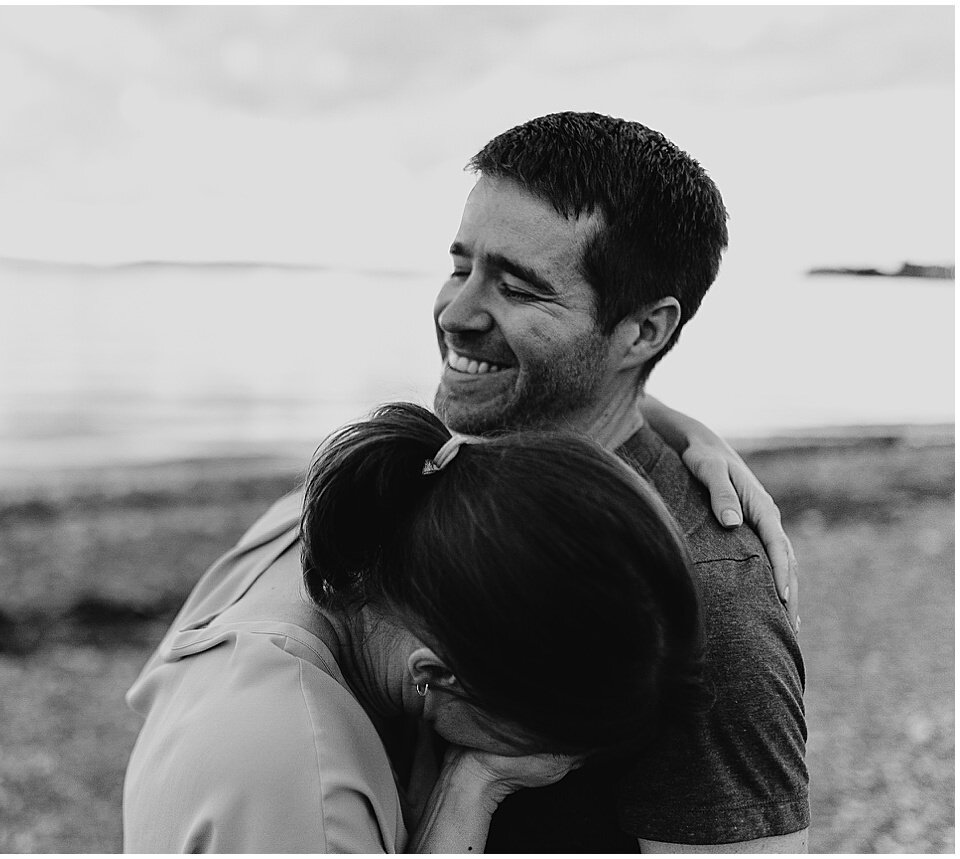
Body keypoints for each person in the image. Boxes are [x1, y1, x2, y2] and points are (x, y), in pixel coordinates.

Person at [437, 112, 807, 852]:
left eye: (516, 288)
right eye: (460, 265)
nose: (456, 311)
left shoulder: (706, 600)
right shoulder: (477, 461)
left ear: (643, 331)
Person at [125, 402, 709, 852]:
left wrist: (682, 432)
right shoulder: (308, 788)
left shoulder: (342, 519)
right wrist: (475, 785)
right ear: (434, 674)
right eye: (552, 743)